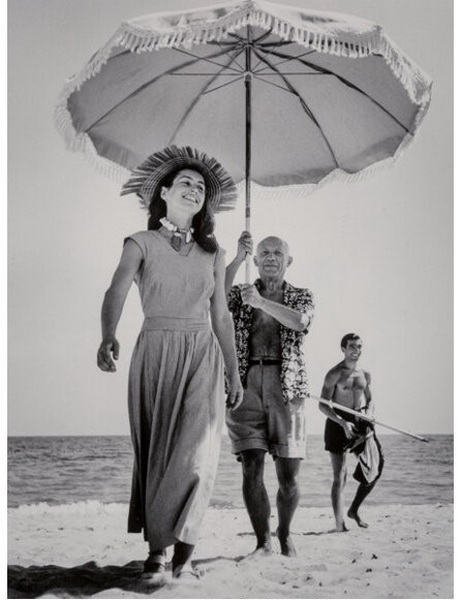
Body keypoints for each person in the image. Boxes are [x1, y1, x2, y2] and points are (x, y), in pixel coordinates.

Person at [96, 146, 243, 585]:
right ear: (164, 192)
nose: (194, 189)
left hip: (202, 354)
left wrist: (234, 370)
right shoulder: (140, 243)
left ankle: (185, 553)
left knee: (198, 455)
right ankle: (157, 551)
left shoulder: (214, 254)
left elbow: (221, 316)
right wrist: (108, 334)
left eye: (200, 187)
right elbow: (116, 290)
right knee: (159, 453)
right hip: (156, 350)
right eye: (185, 183)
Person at [225, 231, 315, 557]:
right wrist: (237, 258)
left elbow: (300, 322)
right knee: (251, 467)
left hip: (287, 387)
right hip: (246, 383)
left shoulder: (301, 295)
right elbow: (214, 296)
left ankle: (285, 532)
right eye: (264, 253)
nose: (271, 258)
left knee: (289, 475)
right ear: (256, 259)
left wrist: (262, 303)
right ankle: (262, 541)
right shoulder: (242, 293)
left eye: (277, 253)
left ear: (288, 260)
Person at [319, 333, 384, 532]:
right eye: (352, 347)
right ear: (343, 349)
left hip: (360, 420)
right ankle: (339, 523)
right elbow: (322, 405)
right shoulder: (334, 374)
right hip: (338, 422)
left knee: (376, 468)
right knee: (340, 475)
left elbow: (370, 399)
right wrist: (342, 422)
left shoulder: (364, 374)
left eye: (359, 347)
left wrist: (369, 413)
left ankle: (354, 509)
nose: (356, 350)